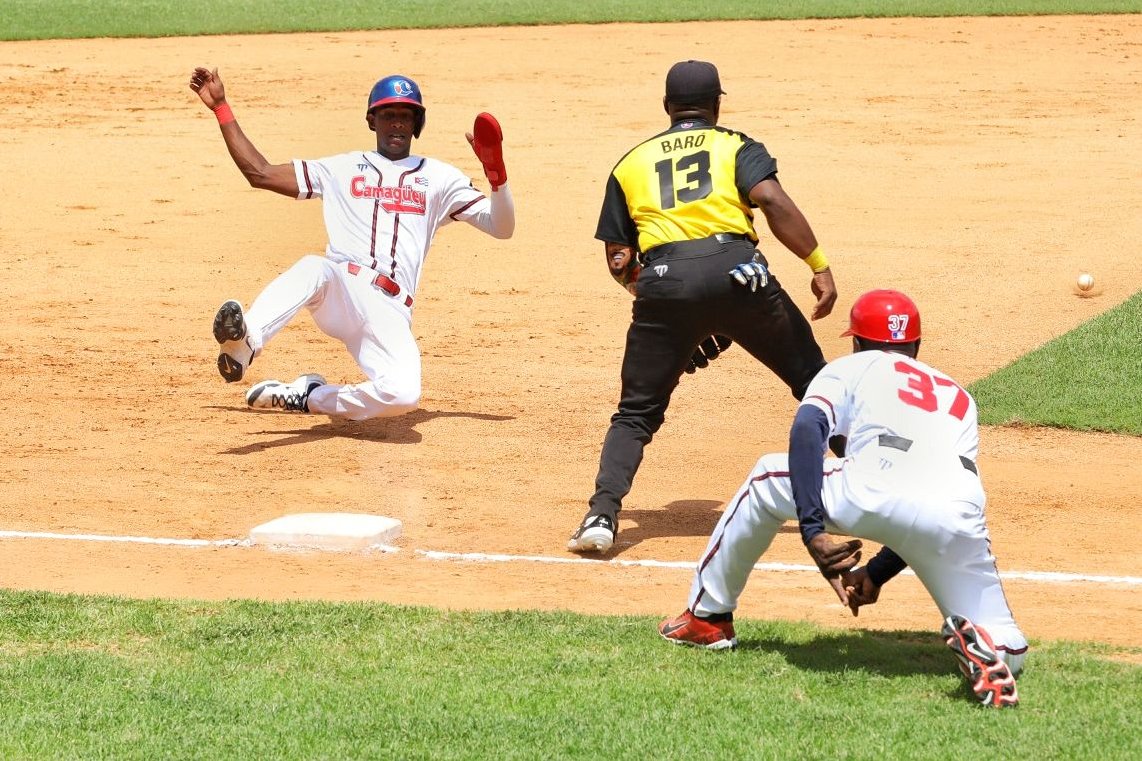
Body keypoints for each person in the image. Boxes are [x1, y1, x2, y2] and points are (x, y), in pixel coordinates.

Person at [659, 289, 1028, 708]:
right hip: (960, 514)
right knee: (1010, 642)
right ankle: (992, 650)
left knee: (766, 476)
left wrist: (812, 528)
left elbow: (807, 431)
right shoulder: (959, 397)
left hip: (867, 487)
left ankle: (707, 619)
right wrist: (876, 573)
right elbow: (923, 501)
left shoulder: (850, 367)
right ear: (917, 346)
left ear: (856, 341)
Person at [568, 60, 838, 553]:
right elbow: (772, 201)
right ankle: (886, 487)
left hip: (664, 282)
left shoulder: (629, 163)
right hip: (741, 276)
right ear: (717, 104)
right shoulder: (735, 145)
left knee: (635, 413)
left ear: (668, 108)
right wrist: (817, 264)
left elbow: (619, 256)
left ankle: (600, 517)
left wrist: (667, 304)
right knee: (815, 382)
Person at [189, 67, 514, 419]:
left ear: (417, 124)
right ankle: (245, 343)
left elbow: (501, 227)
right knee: (315, 267)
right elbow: (260, 173)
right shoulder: (341, 168)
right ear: (372, 121)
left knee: (404, 395)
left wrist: (497, 176)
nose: (397, 124)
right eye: (388, 115)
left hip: (390, 311)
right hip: (340, 290)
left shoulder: (441, 177)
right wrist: (221, 107)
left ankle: (310, 396)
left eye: (406, 116)